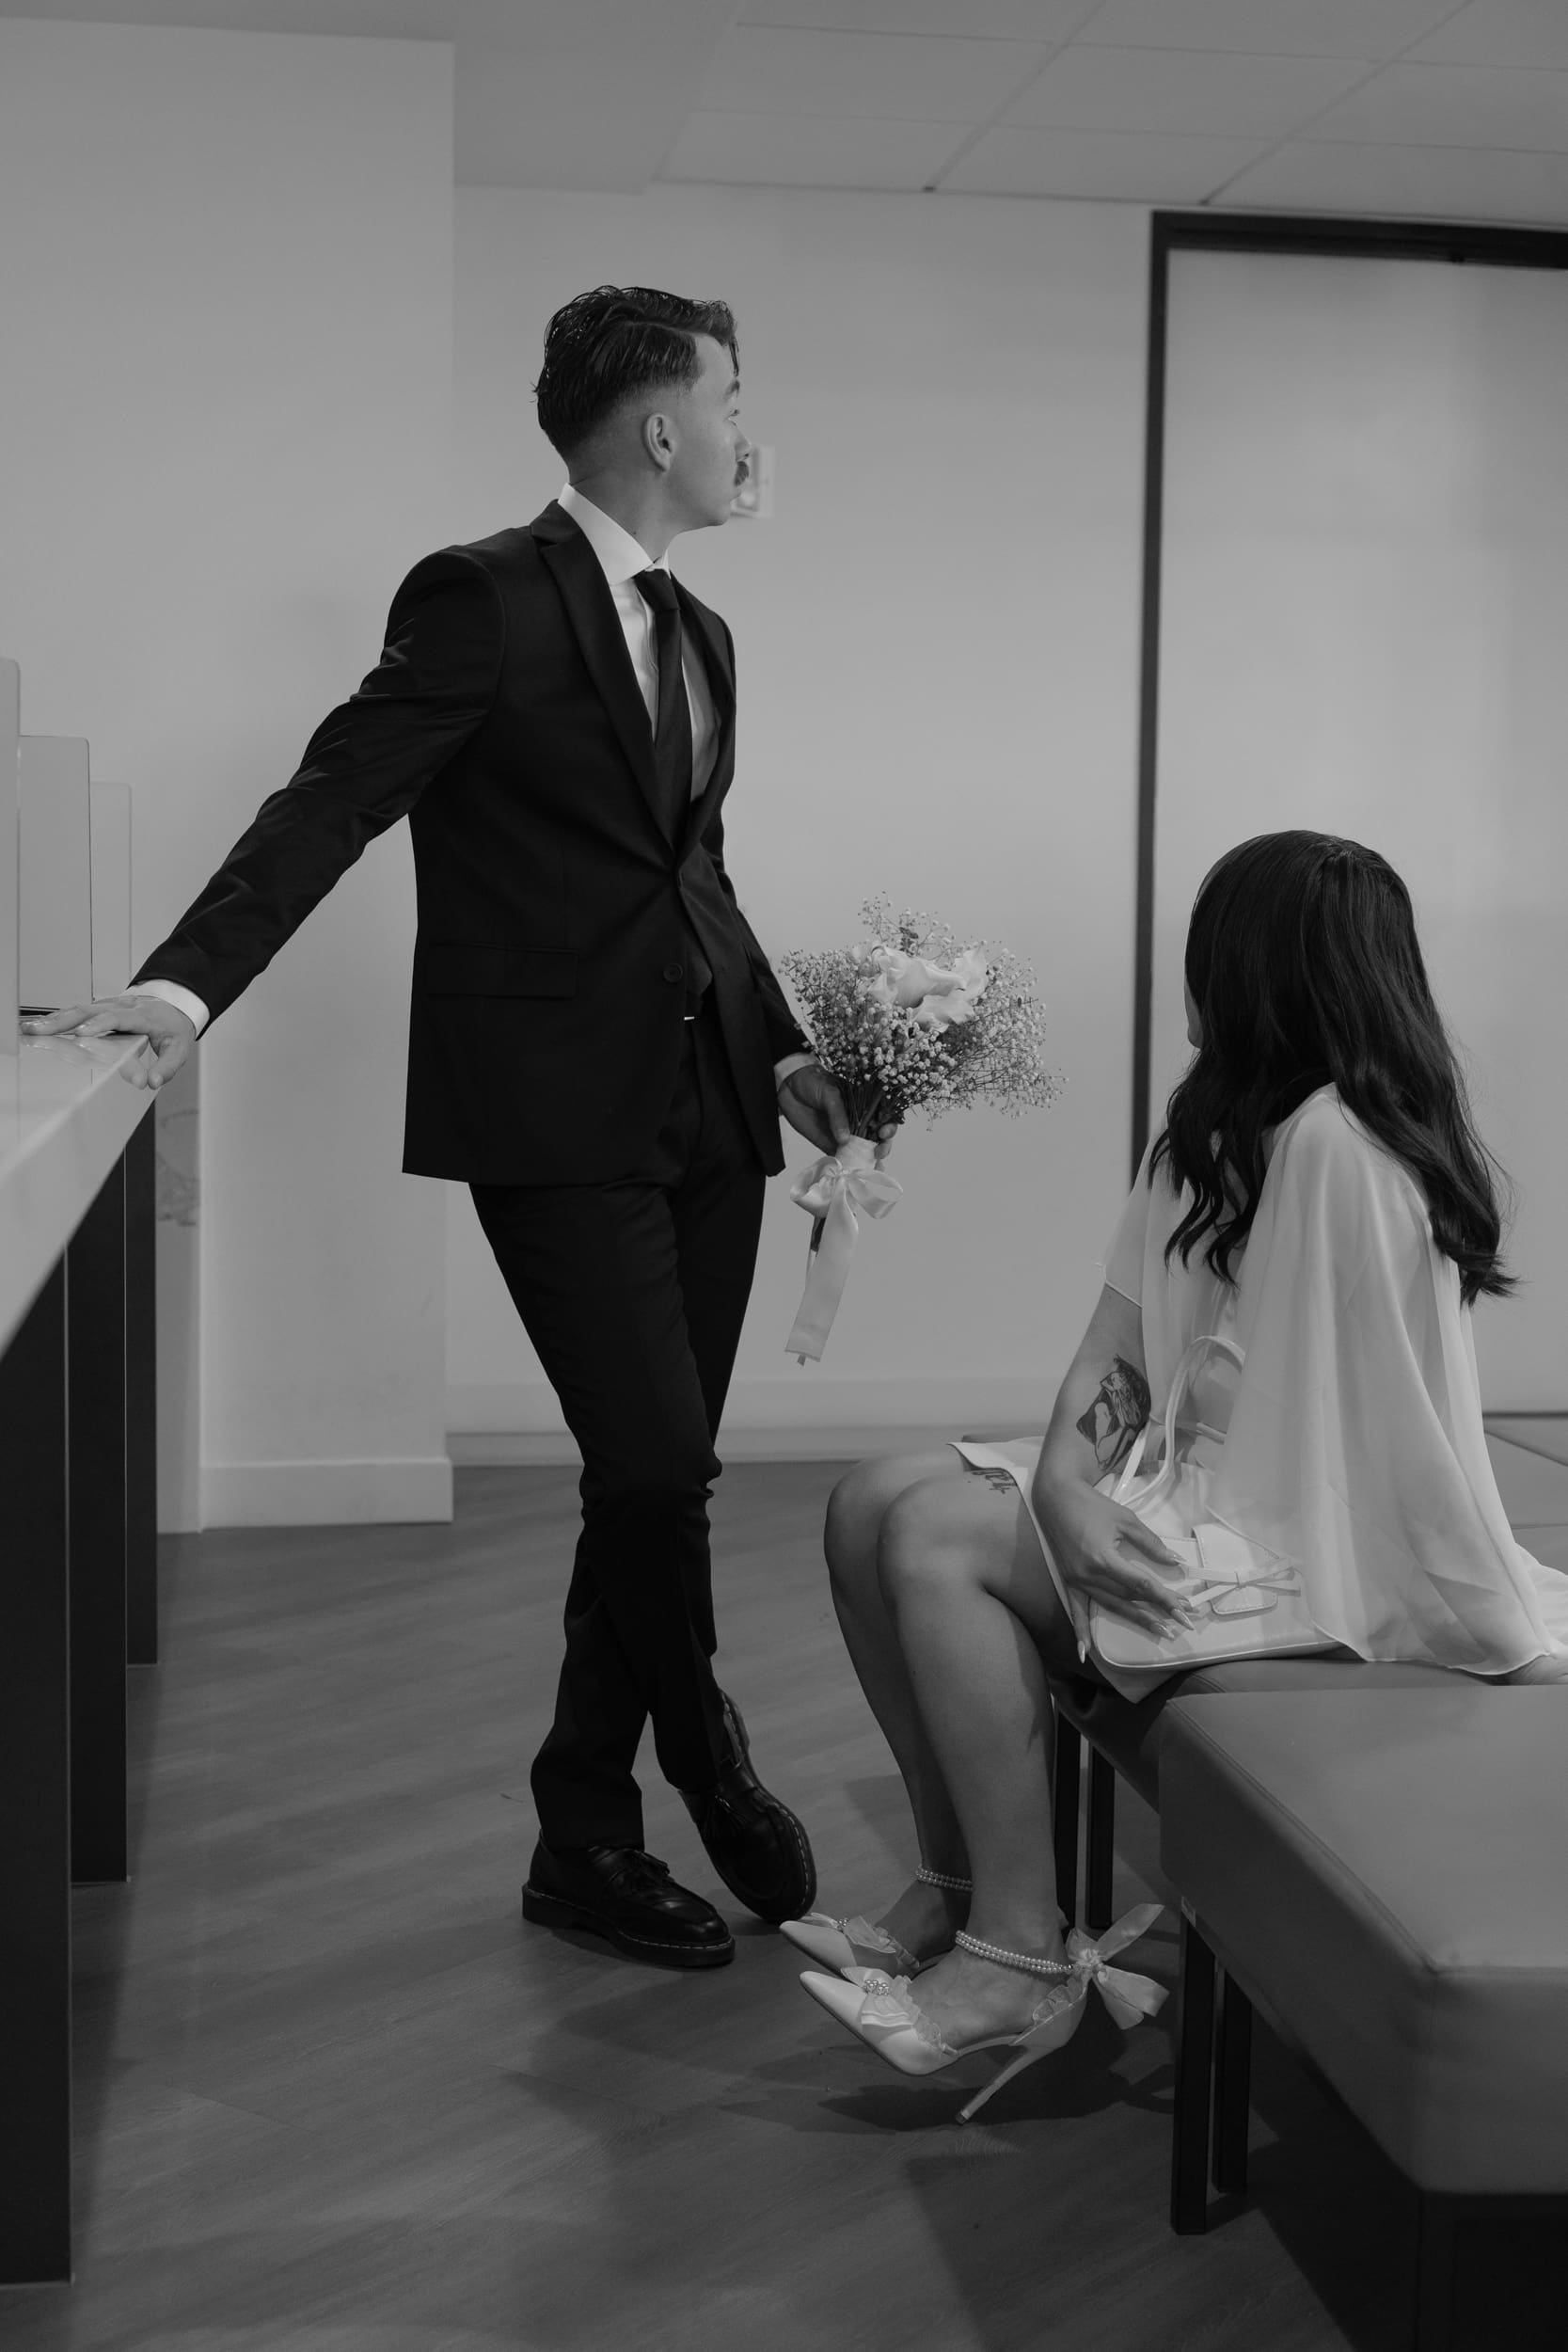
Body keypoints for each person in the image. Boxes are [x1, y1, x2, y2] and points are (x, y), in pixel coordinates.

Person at [24, 283, 872, 1973]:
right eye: (728, 397)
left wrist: (783, 1055)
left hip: (711, 1113)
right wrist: (178, 996)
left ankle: (581, 1838)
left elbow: (690, 876)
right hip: (550, 1109)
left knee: (659, 1482)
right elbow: (333, 796)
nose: (743, 433)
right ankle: (701, 1749)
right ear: (657, 427)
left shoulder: (704, 636)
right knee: (649, 1468)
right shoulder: (483, 596)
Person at [785, 831, 1568, 2112]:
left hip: (1306, 1548)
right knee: (869, 1496)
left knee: (930, 1541)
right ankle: (957, 1884)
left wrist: (1493, 1628)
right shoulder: (1211, 1131)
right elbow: (1118, 1346)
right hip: (1192, 1494)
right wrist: (1061, 1488)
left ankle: (1016, 1955)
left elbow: (1399, 1435)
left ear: (1255, 964)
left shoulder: (1346, 1154)